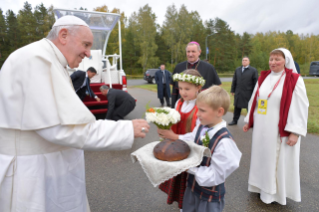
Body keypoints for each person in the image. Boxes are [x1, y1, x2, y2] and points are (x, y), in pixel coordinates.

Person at [0, 15, 150, 212]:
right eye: (86, 44)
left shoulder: (50, 59)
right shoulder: (36, 59)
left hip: (47, 167)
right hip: (32, 174)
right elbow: (61, 128)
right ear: (63, 35)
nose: (88, 53)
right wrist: (125, 129)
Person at [243, 48, 309, 205]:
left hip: (279, 129)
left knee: (275, 158)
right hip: (261, 127)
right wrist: (249, 120)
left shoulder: (294, 79)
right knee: (261, 157)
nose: (273, 62)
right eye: (271, 59)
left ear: (286, 61)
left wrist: (295, 132)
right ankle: (260, 187)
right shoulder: (264, 77)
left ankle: (273, 193)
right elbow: (255, 100)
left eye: (277, 59)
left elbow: (300, 106)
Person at [183, 85, 242, 212]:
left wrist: (189, 167)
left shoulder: (224, 142)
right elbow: (191, 139)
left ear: (219, 112)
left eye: (202, 110)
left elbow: (216, 174)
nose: (197, 114)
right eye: (197, 109)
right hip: (192, 189)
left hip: (208, 197)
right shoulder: (201, 126)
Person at [157, 69, 204, 210]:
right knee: (180, 183)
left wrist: (175, 136)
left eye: (187, 89)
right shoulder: (179, 103)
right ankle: (183, 206)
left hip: (192, 152)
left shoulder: (201, 107)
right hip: (178, 150)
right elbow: (174, 121)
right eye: (181, 88)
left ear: (198, 88)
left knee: (191, 183)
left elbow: (199, 134)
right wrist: (164, 128)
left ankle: (192, 206)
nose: (183, 92)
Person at [171, 41, 222, 107]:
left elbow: (216, 89)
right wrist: (173, 107)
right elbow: (175, 90)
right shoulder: (178, 67)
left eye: (193, 51)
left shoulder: (209, 68)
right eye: (188, 51)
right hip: (182, 104)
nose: (190, 54)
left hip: (202, 105)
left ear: (199, 52)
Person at [229, 56, 258, 125]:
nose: (244, 61)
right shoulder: (238, 70)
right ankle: (234, 121)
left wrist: (255, 92)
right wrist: (233, 90)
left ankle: (251, 122)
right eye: (243, 60)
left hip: (248, 93)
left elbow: (256, 82)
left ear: (249, 62)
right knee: (237, 107)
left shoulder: (253, 70)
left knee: (250, 108)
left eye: (246, 60)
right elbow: (234, 80)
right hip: (239, 92)